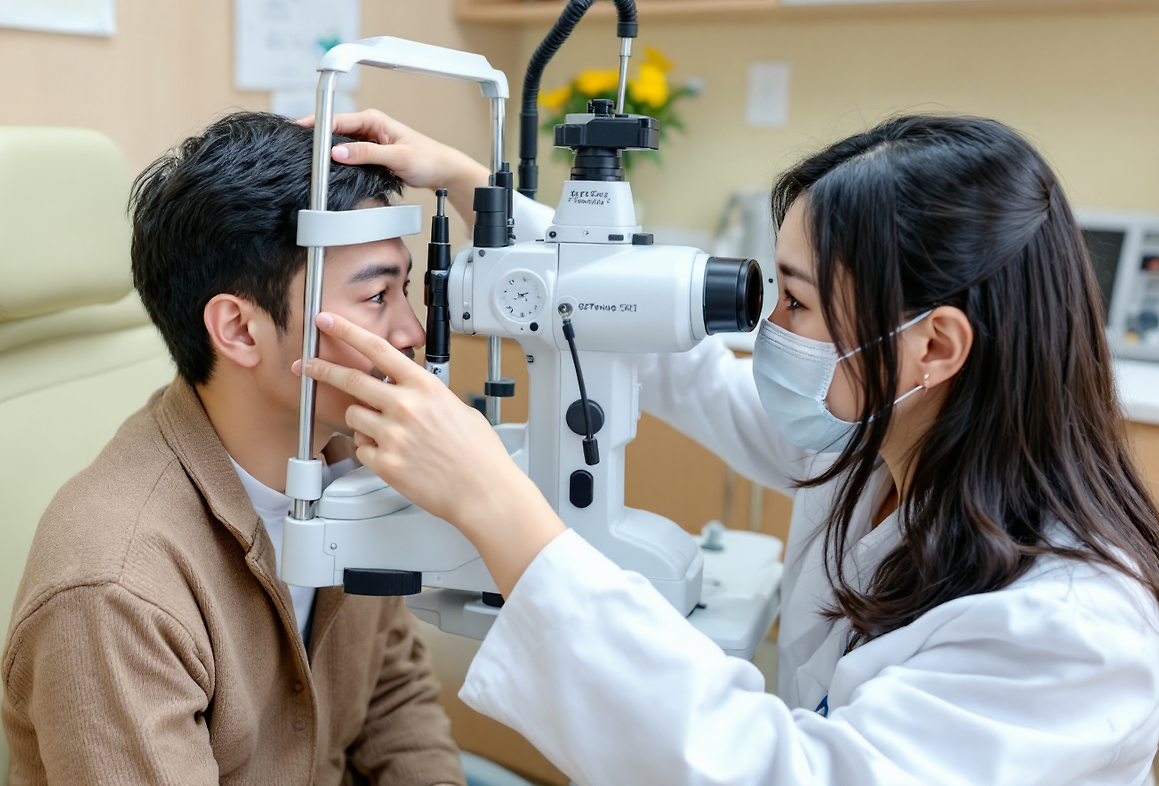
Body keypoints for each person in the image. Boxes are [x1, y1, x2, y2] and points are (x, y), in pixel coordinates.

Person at [300, 112, 1159, 785]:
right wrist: (472, 185)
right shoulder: (882, 444)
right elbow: (669, 357)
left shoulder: (1069, 632)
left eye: (797, 302)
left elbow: (781, 771)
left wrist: (497, 505)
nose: (767, 325)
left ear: (934, 346)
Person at [1, 112, 466, 786]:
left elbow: (393, 699)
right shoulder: (114, 588)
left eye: (404, 289)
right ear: (240, 330)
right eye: (375, 296)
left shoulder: (357, 473)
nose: (412, 332)